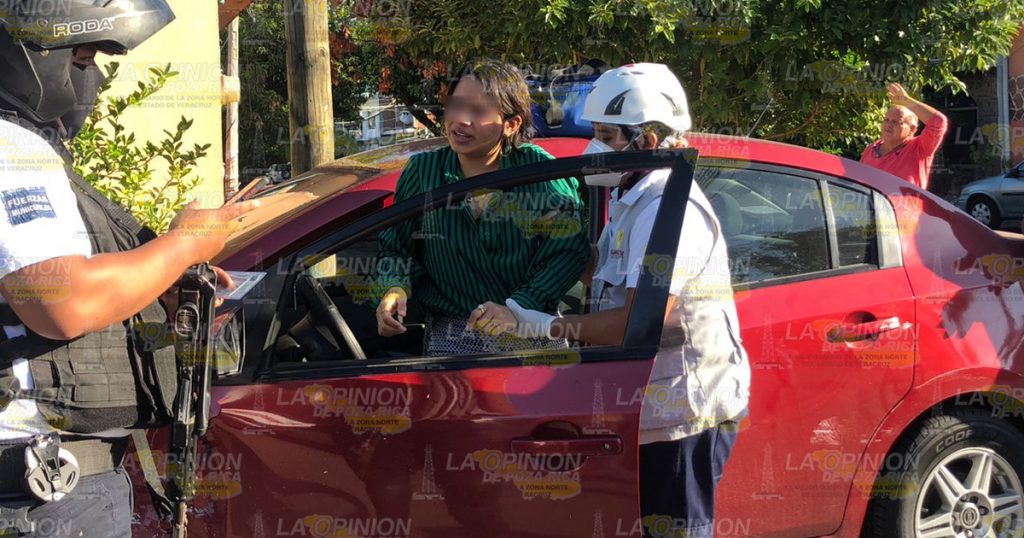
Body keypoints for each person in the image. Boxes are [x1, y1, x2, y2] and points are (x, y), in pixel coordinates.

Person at [0, 2, 258, 536]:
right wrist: (184, 244)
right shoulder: (11, 150)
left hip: (53, 486)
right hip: (41, 497)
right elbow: (63, 302)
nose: (90, 77)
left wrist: (157, 280)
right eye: (83, 57)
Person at [493, 63, 751, 538]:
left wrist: (542, 326)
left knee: (678, 529)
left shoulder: (669, 211)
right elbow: (604, 271)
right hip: (651, 403)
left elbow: (639, 320)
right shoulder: (638, 195)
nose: (595, 148)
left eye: (608, 136)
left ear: (648, 141)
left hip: (684, 412)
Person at [374, 59, 589, 356]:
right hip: (452, 342)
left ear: (511, 124)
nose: (461, 119)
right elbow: (395, 247)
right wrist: (394, 288)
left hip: (530, 336)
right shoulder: (424, 172)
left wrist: (519, 308)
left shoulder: (539, 172)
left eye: (478, 111)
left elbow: (568, 251)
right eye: (456, 105)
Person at [860, 83, 948, 191]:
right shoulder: (871, 150)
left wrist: (907, 101)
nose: (888, 125)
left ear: (912, 129)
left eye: (896, 122)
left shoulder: (919, 149)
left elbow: (938, 121)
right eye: (886, 120)